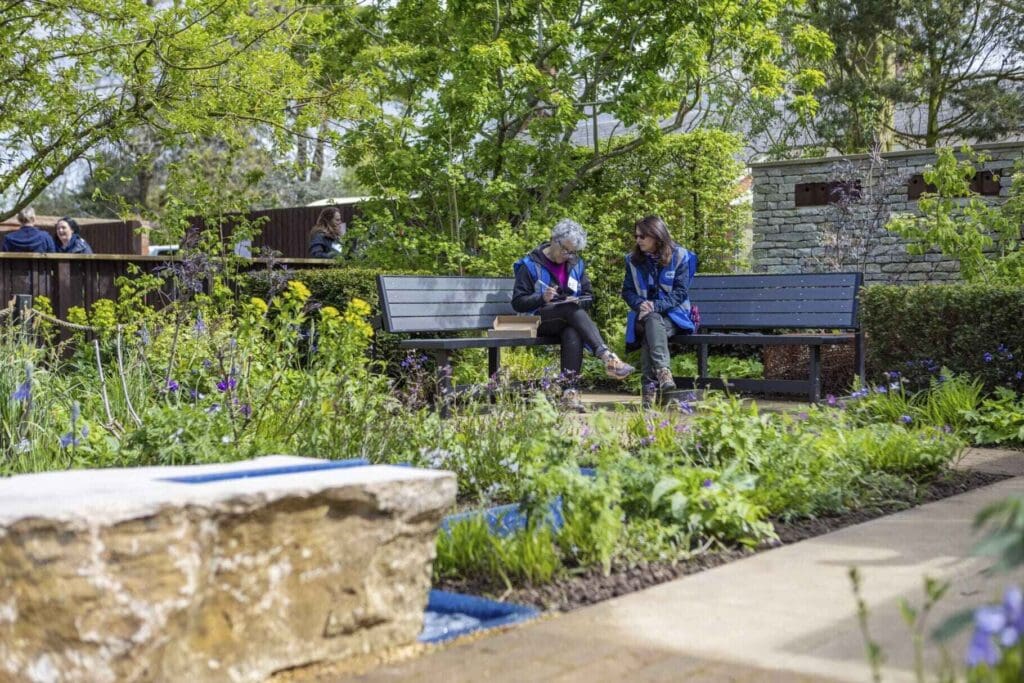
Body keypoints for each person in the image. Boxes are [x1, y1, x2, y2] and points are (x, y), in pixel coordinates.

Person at [512, 219, 634, 411]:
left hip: (566, 319)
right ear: (554, 240)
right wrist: (541, 298)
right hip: (535, 321)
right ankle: (607, 356)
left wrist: (578, 301)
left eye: (572, 252)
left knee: (572, 331)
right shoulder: (529, 264)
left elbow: (589, 296)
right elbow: (518, 302)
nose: (567, 255)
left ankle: (570, 393)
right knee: (570, 311)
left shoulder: (576, 264)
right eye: (565, 250)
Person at [621, 215, 698, 404]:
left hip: (675, 316)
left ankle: (648, 391)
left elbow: (680, 292)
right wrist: (640, 304)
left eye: (642, 236)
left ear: (656, 235)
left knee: (651, 329)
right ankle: (663, 372)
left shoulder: (680, 256)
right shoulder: (632, 260)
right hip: (645, 316)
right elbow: (627, 291)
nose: (638, 240)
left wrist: (655, 306)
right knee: (652, 320)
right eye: (636, 236)